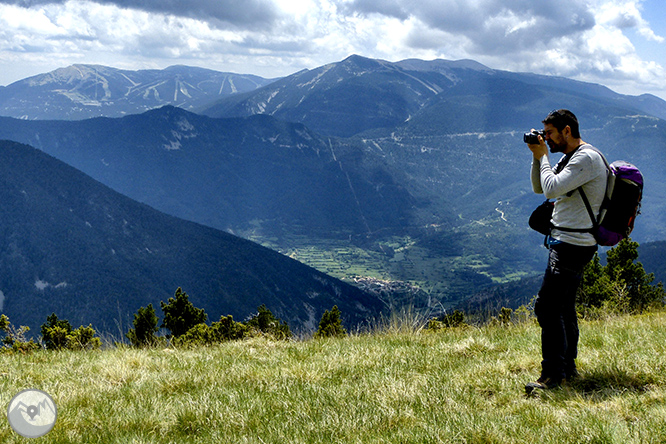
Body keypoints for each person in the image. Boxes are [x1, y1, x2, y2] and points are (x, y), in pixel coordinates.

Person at [525, 109, 608, 393]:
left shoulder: (586, 158)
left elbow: (551, 190)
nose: (546, 138)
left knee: (546, 308)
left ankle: (552, 375)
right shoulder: (569, 159)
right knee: (563, 309)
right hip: (566, 242)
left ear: (567, 130)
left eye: (549, 133)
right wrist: (538, 158)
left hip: (573, 246)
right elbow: (540, 187)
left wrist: (544, 157)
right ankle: (567, 368)